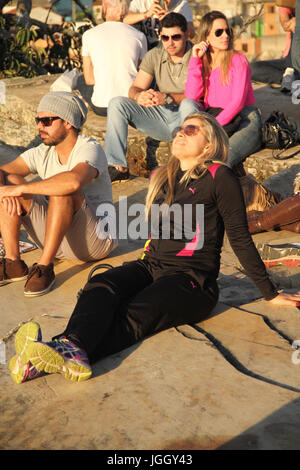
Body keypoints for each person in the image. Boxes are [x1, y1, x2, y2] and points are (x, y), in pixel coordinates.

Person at [9, 112, 300, 384]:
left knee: (139, 310)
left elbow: (238, 236)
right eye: (178, 129)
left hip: (192, 280)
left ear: (209, 145)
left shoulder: (219, 177)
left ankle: (63, 351)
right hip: (151, 265)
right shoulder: (164, 176)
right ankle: (63, 348)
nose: (180, 133)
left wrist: (270, 292)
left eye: (190, 129)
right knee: (102, 284)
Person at [0, 91, 116, 297]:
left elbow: (73, 181)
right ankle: (13, 263)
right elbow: (4, 172)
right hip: (57, 238)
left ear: (68, 123)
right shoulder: (42, 152)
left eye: (46, 121)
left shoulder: (90, 148)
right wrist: (8, 189)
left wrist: (20, 189)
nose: (38, 127)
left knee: (63, 191)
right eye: (38, 120)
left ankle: (44, 267)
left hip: (95, 241)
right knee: (9, 181)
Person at [105, 12, 201, 182]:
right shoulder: (155, 53)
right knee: (117, 103)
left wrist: (168, 97)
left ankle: (190, 167)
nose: (170, 43)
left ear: (186, 35)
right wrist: (139, 96)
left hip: (188, 118)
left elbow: (201, 96)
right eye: (165, 38)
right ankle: (117, 166)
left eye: (176, 37)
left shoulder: (197, 55)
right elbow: (135, 88)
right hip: (160, 116)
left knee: (189, 104)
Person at [184, 10, 262, 169]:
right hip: (216, 119)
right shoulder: (203, 63)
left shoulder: (238, 59)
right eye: (219, 32)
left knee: (219, 161)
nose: (225, 35)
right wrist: (195, 60)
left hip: (245, 120)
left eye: (228, 31)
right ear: (206, 37)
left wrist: (210, 129)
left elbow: (237, 103)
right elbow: (191, 96)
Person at [81, 0, 147, 117]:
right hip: (130, 105)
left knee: (79, 80)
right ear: (125, 12)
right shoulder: (139, 36)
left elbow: (89, 79)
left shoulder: (88, 35)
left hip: (102, 107)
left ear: (104, 9)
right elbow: (141, 75)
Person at [250, 6, 296, 87]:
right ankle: (289, 80)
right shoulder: (289, 4)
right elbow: (285, 23)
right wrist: (292, 23)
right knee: (251, 68)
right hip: (289, 61)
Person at [123, 0, 195, 49]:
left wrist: (173, 18)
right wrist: (146, 14)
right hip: (144, 45)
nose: (164, 1)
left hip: (167, 46)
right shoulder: (141, 2)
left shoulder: (181, 3)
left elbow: (191, 33)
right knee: (132, 25)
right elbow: (125, 19)